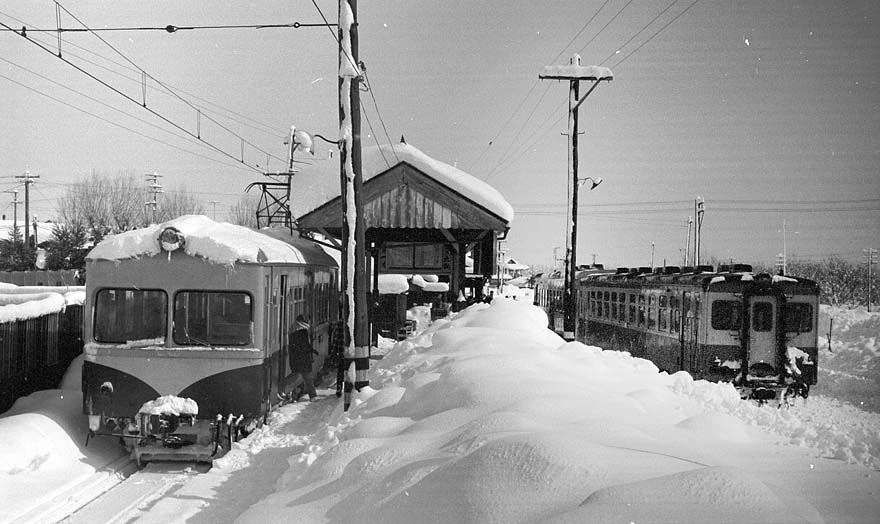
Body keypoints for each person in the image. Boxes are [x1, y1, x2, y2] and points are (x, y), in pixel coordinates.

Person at [288, 314, 319, 401]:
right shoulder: (303, 333)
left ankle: (294, 396)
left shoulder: (294, 334)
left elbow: (300, 347)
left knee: (299, 378)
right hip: (303, 360)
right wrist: (312, 351)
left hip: (297, 360)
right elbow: (305, 347)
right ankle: (312, 396)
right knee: (307, 378)